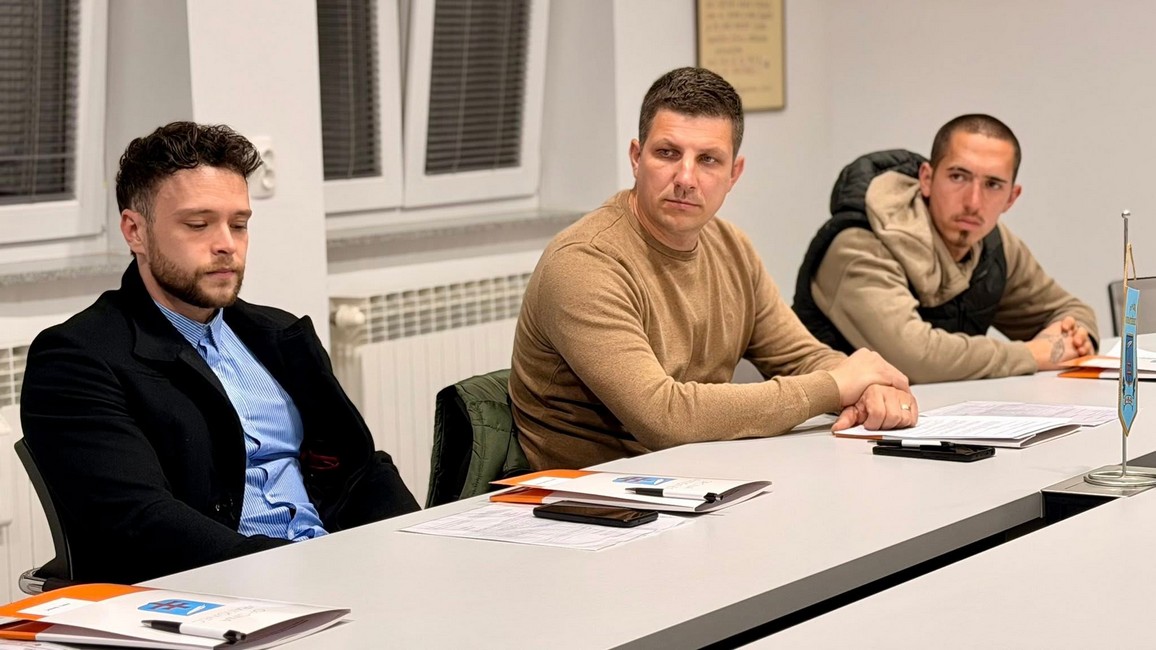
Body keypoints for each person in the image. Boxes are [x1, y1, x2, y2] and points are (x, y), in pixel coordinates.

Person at [20, 122, 420, 585]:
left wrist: (415, 547)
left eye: (239, 224)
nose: (227, 244)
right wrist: (306, 571)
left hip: (331, 566)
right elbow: (140, 520)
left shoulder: (278, 334)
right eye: (198, 224)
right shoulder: (77, 358)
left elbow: (360, 468)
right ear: (135, 231)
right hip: (222, 591)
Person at [509, 67, 917, 471]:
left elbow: (800, 355)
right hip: (592, 493)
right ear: (636, 158)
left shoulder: (731, 246)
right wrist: (835, 386)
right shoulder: (585, 261)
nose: (686, 178)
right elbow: (663, 417)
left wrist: (869, 388)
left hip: (700, 474)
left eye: (708, 160)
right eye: (667, 153)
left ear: (733, 173)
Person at [793, 114, 1098, 384]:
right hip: (831, 424)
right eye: (958, 177)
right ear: (926, 179)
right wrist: (1033, 354)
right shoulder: (860, 243)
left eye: (992, 184)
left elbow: (1071, 311)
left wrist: (1072, 338)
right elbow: (914, 358)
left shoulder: (992, 243)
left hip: (942, 417)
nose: (973, 202)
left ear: (1011, 198)